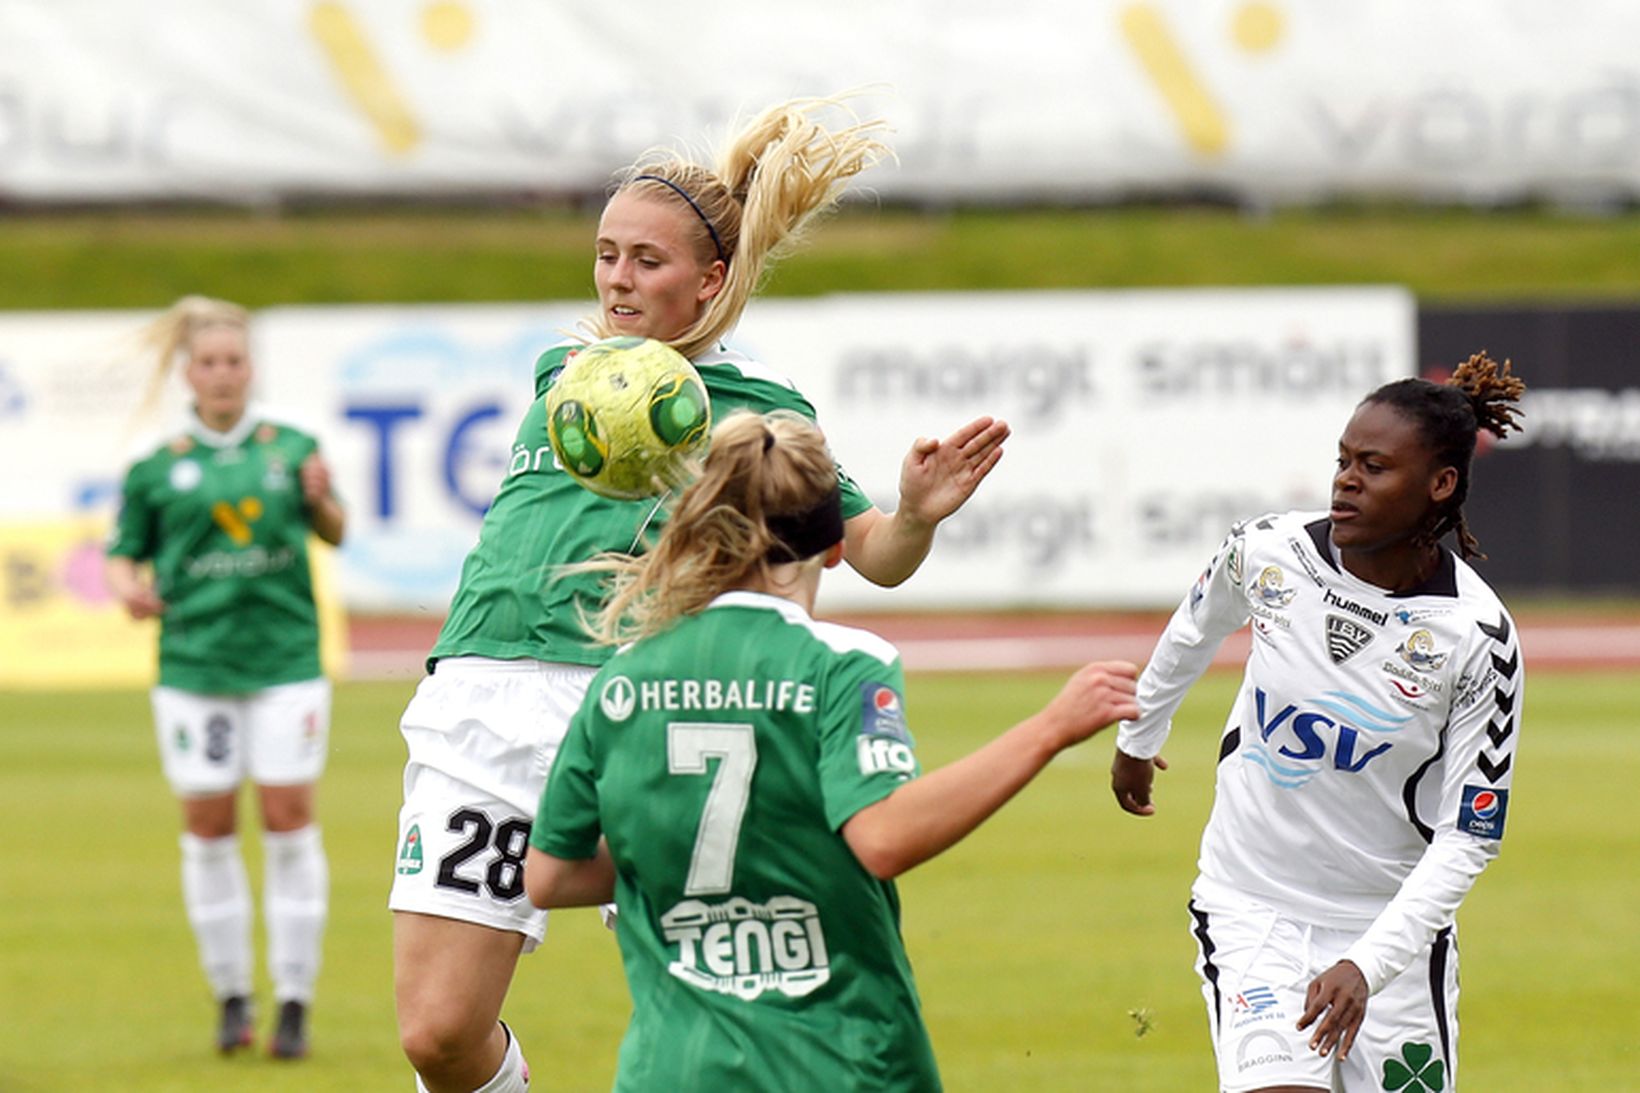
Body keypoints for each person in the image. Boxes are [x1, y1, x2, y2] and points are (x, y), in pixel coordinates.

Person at [390, 96, 1012, 1093]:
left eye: (646, 259)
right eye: (606, 254)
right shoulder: (566, 368)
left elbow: (868, 554)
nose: (617, 279)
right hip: (477, 699)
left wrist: (918, 512)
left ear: (709, 279)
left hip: (632, 703)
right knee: (436, 1034)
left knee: (719, 1006)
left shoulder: (761, 406)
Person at [523, 409, 1139, 1089]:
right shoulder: (843, 664)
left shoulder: (623, 678)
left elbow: (549, 877)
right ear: (836, 545)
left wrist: (694, 854)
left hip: (673, 1067)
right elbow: (882, 836)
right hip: (839, 1062)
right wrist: (1049, 727)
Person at [1109, 354, 1527, 1092]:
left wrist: (1366, 963)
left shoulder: (1477, 637)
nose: (1346, 479)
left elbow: (1468, 837)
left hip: (1386, 931)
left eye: (1373, 465)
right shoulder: (1267, 552)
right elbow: (1193, 629)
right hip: (1252, 906)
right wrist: (1138, 739)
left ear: (1440, 485)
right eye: (1342, 460)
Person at [105, 295, 346, 1059]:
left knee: (286, 816)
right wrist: (126, 590)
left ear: (250, 368)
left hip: (283, 661)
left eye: (233, 361)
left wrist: (321, 500)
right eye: (207, 363)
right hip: (195, 665)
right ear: (187, 372)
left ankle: (296, 998)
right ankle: (232, 994)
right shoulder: (154, 464)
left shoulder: (292, 445)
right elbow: (122, 552)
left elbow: (336, 530)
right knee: (208, 829)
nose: (221, 375)